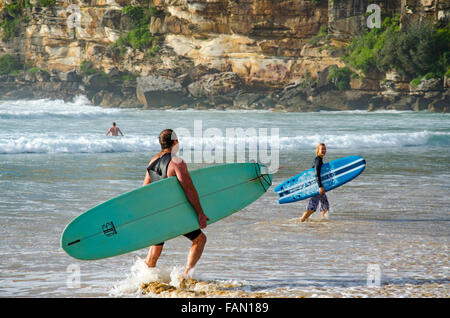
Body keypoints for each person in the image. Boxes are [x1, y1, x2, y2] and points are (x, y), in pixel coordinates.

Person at [142, 129, 209, 276]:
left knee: (156, 247)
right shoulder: (176, 161)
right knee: (200, 239)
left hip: (157, 213)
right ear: (175, 142)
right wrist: (200, 213)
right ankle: (186, 275)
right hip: (173, 213)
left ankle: (144, 278)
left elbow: (144, 190)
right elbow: (189, 189)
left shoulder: (152, 161)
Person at [300, 143, 329, 222]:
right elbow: (316, 174)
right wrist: (320, 186)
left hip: (319, 185)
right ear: (317, 150)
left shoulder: (320, 159)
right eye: (322, 149)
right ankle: (301, 221)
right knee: (312, 208)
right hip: (316, 186)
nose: (324, 151)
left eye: (324, 149)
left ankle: (324, 222)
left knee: (325, 205)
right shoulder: (318, 160)